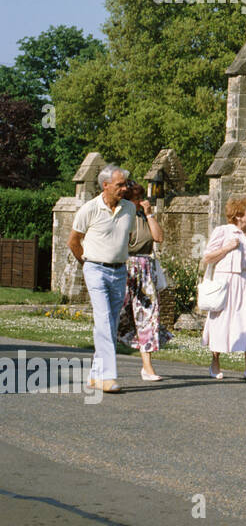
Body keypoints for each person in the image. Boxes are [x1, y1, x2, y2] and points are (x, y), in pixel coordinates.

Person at [67, 165, 135, 394]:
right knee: (104, 320)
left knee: (110, 324)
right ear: (105, 185)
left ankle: (95, 375)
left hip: (119, 271)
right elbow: (74, 241)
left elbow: (127, 238)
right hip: (95, 269)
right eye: (120, 185)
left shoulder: (129, 209)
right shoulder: (89, 209)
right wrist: (86, 264)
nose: (124, 188)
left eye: (125, 184)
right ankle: (108, 377)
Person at [201, 197, 246, 381]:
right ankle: (215, 363)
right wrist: (228, 247)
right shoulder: (223, 232)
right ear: (238, 215)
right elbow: (208, 257)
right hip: (227, 282)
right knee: (222, 322)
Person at [117, 183, 166, 381]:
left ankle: (147, 367)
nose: (142, 202)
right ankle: (102, 363)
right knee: (118, 316)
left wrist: (149, 214)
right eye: (138, 199)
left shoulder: (144, 218)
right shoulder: (122, 217)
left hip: (145, 271)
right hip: (124, 269)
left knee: (148, 316)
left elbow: (159, 237)